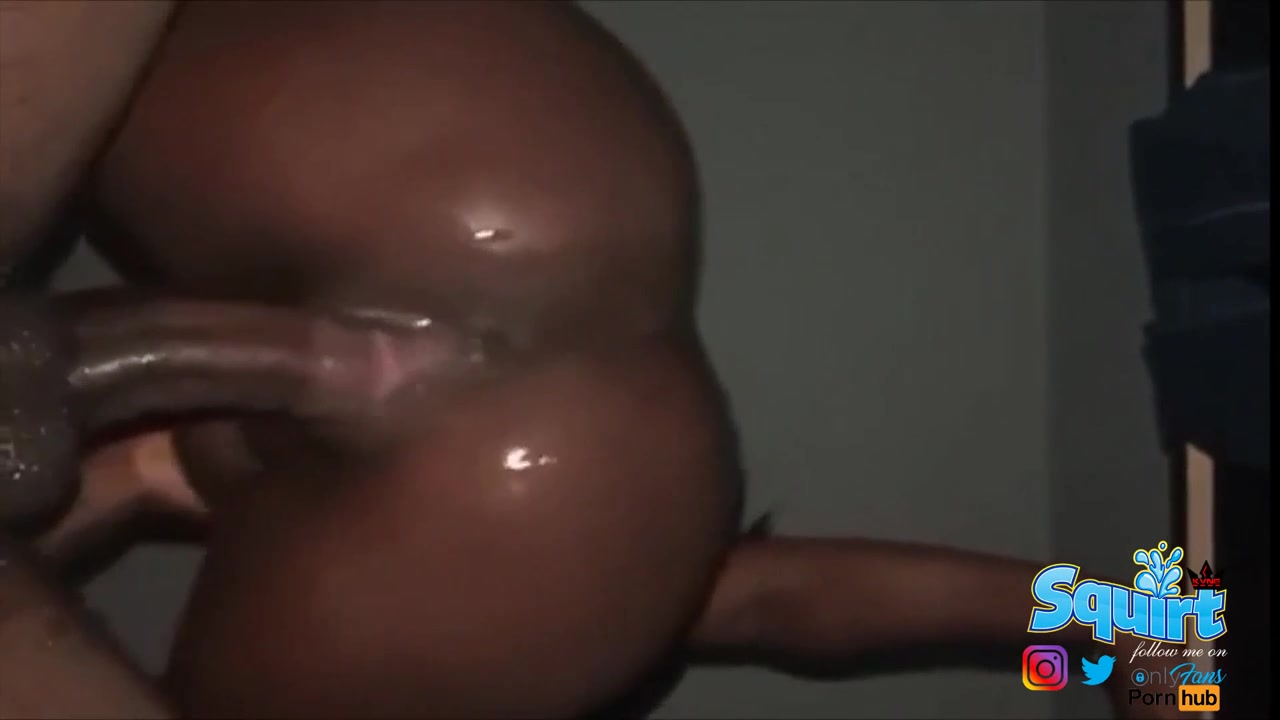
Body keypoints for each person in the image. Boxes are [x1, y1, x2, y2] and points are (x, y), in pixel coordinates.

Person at [1, 2, 1173, 718]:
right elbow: (764, 604)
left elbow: (764, 602)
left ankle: (1144, 619)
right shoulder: (557, 568)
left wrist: (1103, 626)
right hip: (502, 207)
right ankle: (1147, 624)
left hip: (518, 233)